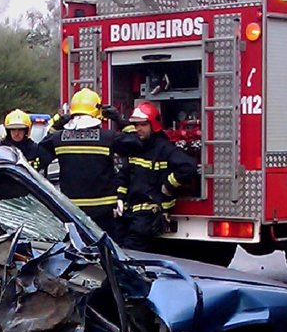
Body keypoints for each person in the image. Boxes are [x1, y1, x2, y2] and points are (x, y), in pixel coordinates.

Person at [34, 88, 127, 237]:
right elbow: (136, 144)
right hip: (103, 212)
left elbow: (39, 152)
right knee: (105, 248)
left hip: (72, 211)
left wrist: (55, 127)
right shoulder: (108, 137)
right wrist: (120, 120)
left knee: (77, 247)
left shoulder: (59, 138)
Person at [115, 101, 198, 250]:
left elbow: (189, 167)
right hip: (129, 211)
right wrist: (120, 198)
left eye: (143, 125)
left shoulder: (163, 148)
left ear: (153, 125)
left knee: (130, 250)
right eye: (136, 125)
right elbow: (124, 174)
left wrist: (168, 184)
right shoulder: (134, 148)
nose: (138, 129)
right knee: (114, 244)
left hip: (149, 212)